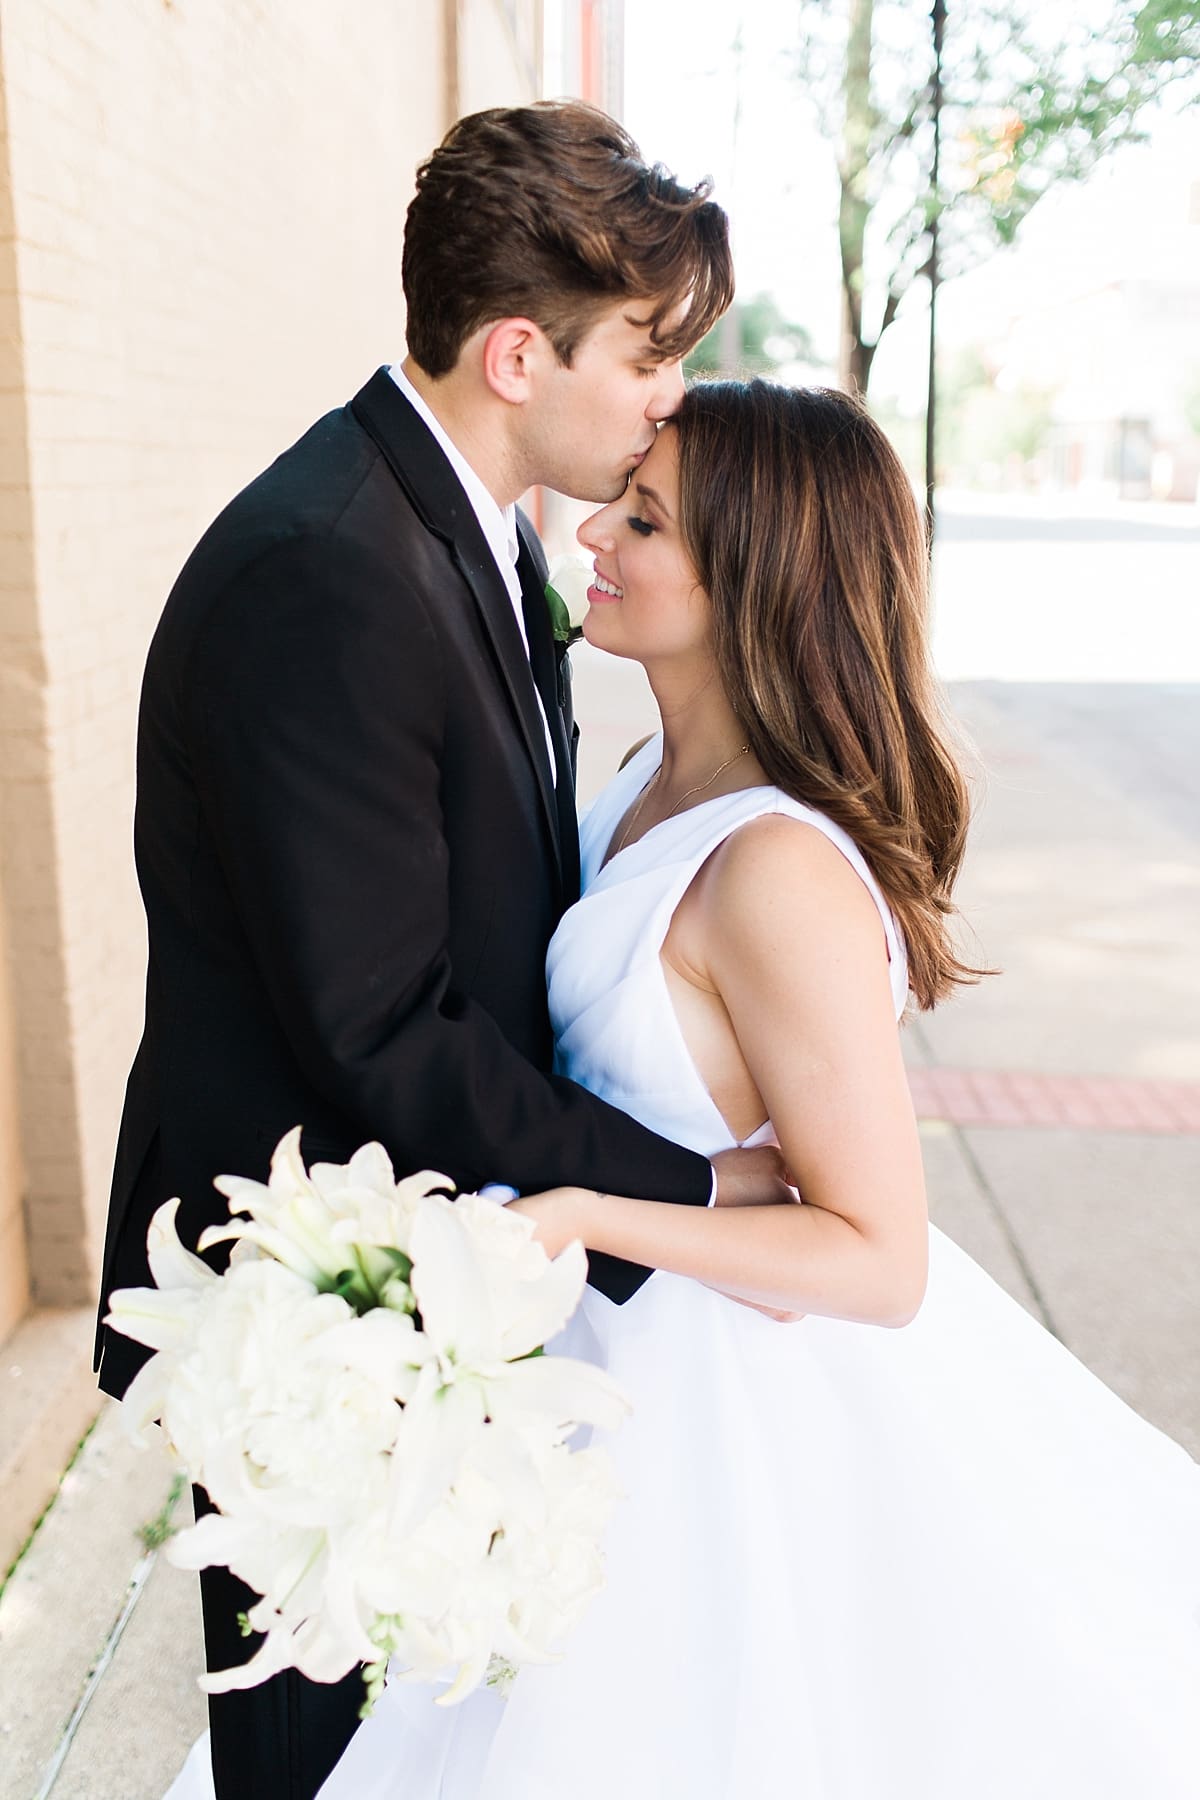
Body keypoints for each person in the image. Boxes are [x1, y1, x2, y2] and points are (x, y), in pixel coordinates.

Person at [309, 382, 1200, 1799]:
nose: (594, 526)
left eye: (646, 519)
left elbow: (877, 1256)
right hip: (599, 1375)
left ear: (755, 581)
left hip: (731, 1416)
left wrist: (590, 1211)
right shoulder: (636, 776)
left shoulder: (777, 870)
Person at [95, 100, 794, 1800]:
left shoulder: (458, 533)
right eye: (646, 355)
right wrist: (698, 1194)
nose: (666, 399)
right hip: (315, 1310)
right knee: (314, 1764)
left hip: (439, 1266)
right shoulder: (329, 573)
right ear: (513, 354)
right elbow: (383, 1032)